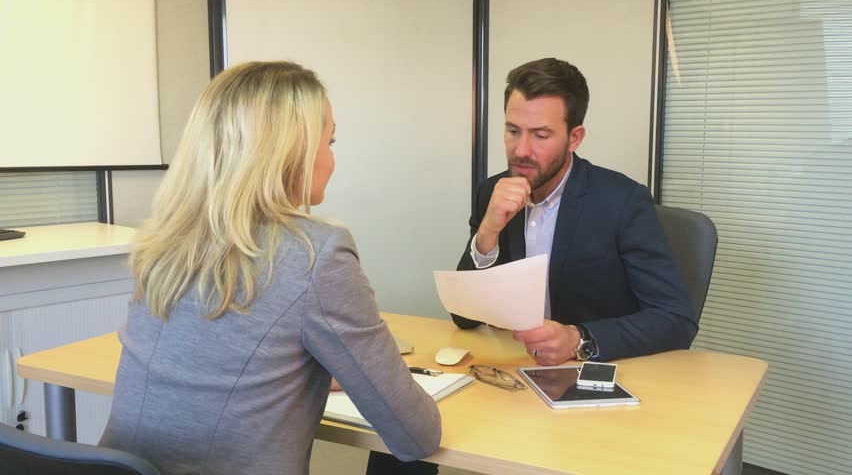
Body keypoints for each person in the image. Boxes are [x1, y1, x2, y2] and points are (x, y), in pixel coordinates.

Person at [99, 61, 441, 475]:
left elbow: (217, 362)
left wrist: (302, 374)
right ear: (293, 151)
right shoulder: (316, 255)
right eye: (329, 142)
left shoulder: (162, 244)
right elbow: (416, 435)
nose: (332, 160)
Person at [367, 57, 696, 474]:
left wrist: (579, 338)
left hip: (586, 382)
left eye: (541, 135)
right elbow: (464, 316)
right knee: (401, 433)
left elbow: (676, 319)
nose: (521, 150)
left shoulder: (622, 201)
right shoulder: (493, 190)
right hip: (510, 374)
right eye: (512, 131)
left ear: (574, 137)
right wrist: (486, 233)